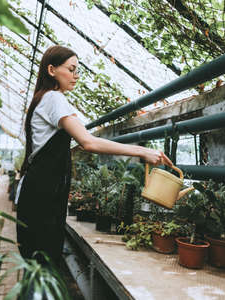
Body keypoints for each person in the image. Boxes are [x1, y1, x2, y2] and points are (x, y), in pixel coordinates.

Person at [16, 45, 172, 267]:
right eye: (71, 69)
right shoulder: (54, 98)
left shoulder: (43, 98)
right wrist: (142, 151)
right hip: (44, 194)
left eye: (77, 70)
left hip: (39, 191)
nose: (76, 76)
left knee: (37, 264)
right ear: (52, 70)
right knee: (43, 261)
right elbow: (88, 141)